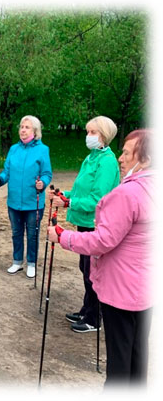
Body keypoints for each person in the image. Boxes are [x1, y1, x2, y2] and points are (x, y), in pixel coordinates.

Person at [48, 129, 153, 388]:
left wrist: (62, 237)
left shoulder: (128, 193)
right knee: (136, 355)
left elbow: (103, 240)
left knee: (119, 361)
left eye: (127, 153)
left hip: (122, 289)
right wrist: (69, 199)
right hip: (144, 287)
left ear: (147, 159)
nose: (121, 158)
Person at [50, 116, 119, 333]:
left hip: (96, 223)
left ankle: (93, 318)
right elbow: (82, 191)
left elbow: (99, 198)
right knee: (85, 268)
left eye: (92, 132)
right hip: (83, 220)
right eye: (87, 132)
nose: (88, 136)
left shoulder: (107, 161)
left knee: (93, 271)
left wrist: (69, 202)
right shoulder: (91, 158)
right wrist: (65, 194)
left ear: (104, 136)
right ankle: (86, 308)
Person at [0, 115, 52, 279]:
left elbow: (47, 174)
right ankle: (17, 261)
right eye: (21, 127)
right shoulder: (13, 149)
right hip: (14, 201)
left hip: (33, 202)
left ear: (35, 131)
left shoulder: (42, 149)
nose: (23, 130)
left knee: (32, 234)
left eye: (27, 127)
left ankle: (31, 263)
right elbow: (7, 172)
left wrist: (43, 183)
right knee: (16, 233)